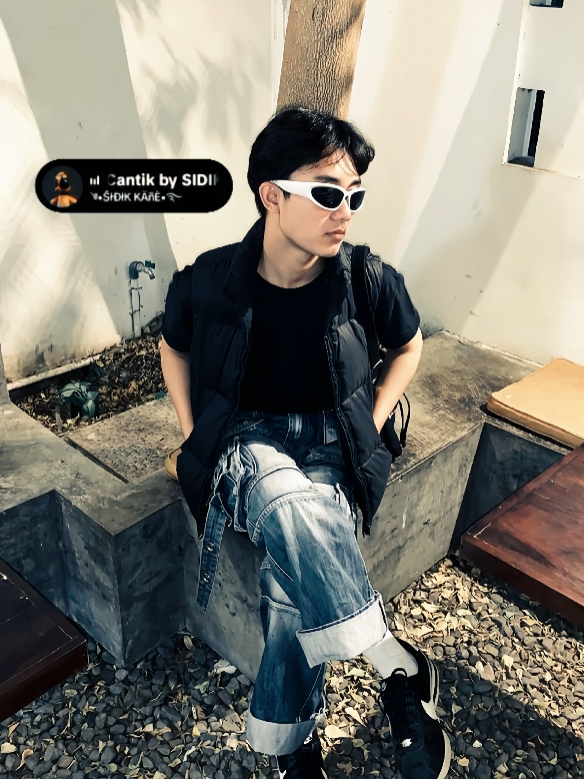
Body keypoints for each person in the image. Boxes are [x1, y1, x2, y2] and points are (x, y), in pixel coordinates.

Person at [159, 106, 451, 779]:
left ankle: (292, 747)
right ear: (271, 195)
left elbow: (409, 346)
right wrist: (191, 430)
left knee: (288, 587)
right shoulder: (208, 279)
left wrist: (372, 416)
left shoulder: (367, 277)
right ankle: (395, 663)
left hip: (331, 443)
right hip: (247, 439)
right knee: (287, 501)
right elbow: (173, 348)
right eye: (325, 193)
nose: (343, 212)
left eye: (354, 196)